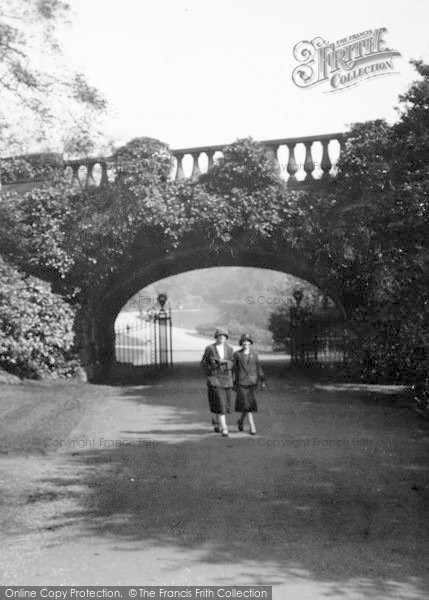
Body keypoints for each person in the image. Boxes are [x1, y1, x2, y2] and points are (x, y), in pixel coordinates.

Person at [201, 327, 234, 437]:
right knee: (220, 403)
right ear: (216, 337)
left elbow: (233, 363)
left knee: (222, 403)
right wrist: (212, 368)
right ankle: (224, 428)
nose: (222, 338)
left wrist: (226, 363)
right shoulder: (210, 348)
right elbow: (203, 364)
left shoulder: (229, 349)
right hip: (214, 379)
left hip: (226, 379)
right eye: (220, 336)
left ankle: (216, 421)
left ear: (226, 338)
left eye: (224, 336)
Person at [233, 333, 265, 435]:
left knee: (248, 405)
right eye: (243, 341)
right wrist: (232, 382)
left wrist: (262, 380)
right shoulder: (237, 355)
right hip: (241, 383)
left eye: (247, 341)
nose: (245, 343)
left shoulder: (254, 354)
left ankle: (241, 420)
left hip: (252, 382)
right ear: (241, 343)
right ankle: (252, 427)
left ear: (250, 343)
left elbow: (258, 368)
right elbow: (233, 369)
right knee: (247, 405)